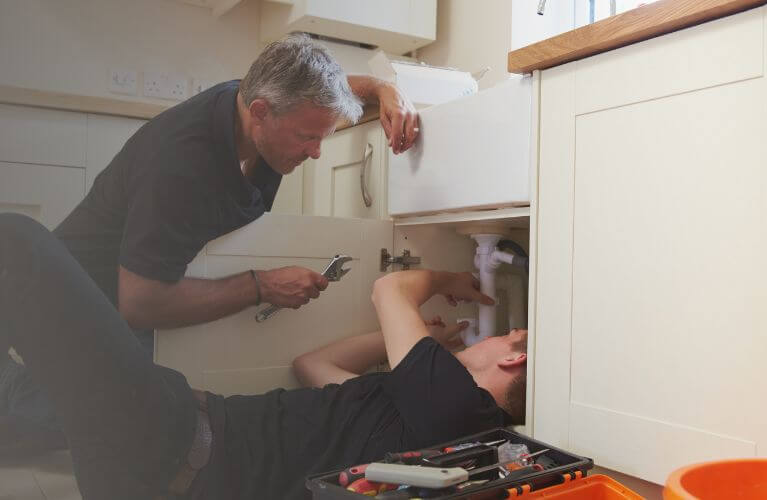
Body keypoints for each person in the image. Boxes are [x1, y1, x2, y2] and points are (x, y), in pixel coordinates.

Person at [0, 32, 420, 456]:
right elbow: (140, 302)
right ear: (261, 113)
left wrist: (386, 90)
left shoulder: (259, 103)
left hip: (132, 288)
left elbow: (333, 90)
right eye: (306, 138)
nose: (315, 152)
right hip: (73, 308)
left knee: (145, 420)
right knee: (100, 422)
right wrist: (261, 285)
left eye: (321, 137)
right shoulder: (182, 164)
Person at [0, 213, 528, 500]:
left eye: (509, 336)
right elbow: (313, 364)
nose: (499, 335)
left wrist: (446, 281)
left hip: (173, 438)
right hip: (162, 463)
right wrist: (423, 347)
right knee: (18, 398)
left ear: (513, 361)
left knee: (18, 244)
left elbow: (391, 288)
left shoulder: (462, 412)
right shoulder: (429, 412)